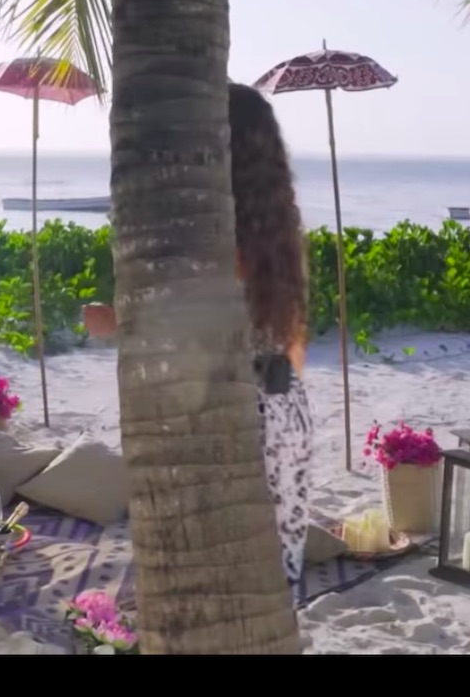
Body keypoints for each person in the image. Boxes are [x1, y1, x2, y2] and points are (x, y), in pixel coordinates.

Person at [82, 82, 314, 583]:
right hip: (285, 410)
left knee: (220, 574)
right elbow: (293, 338)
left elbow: (190, 324)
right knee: (271, 576)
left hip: (234, 412)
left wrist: (114, 323)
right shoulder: (277, 230)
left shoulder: (210, 231)